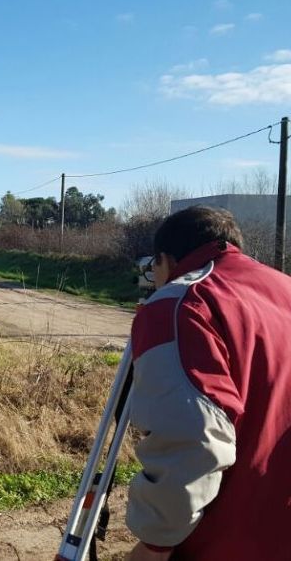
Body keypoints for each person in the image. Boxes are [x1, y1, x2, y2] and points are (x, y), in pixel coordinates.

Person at [124, 206, 291, 561]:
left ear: (165, 260)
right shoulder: (284, 288)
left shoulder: (178, 304)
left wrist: (155, 543)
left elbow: (193, 442)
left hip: (229, 540)